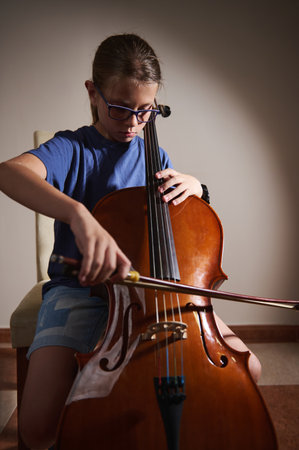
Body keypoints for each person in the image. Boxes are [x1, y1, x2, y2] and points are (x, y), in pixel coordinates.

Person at [0, 33, 261, 449]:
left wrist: (198, 187)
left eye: (146, 111)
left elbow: (183, 236)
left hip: (154, 295)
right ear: (93, 92)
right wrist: (77, 213)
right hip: (80, 293)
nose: (134, 124)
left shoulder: (155, 156)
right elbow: (9, 173)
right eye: (121, 109)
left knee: (250, 369)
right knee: (36, 427)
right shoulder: (73, 148)